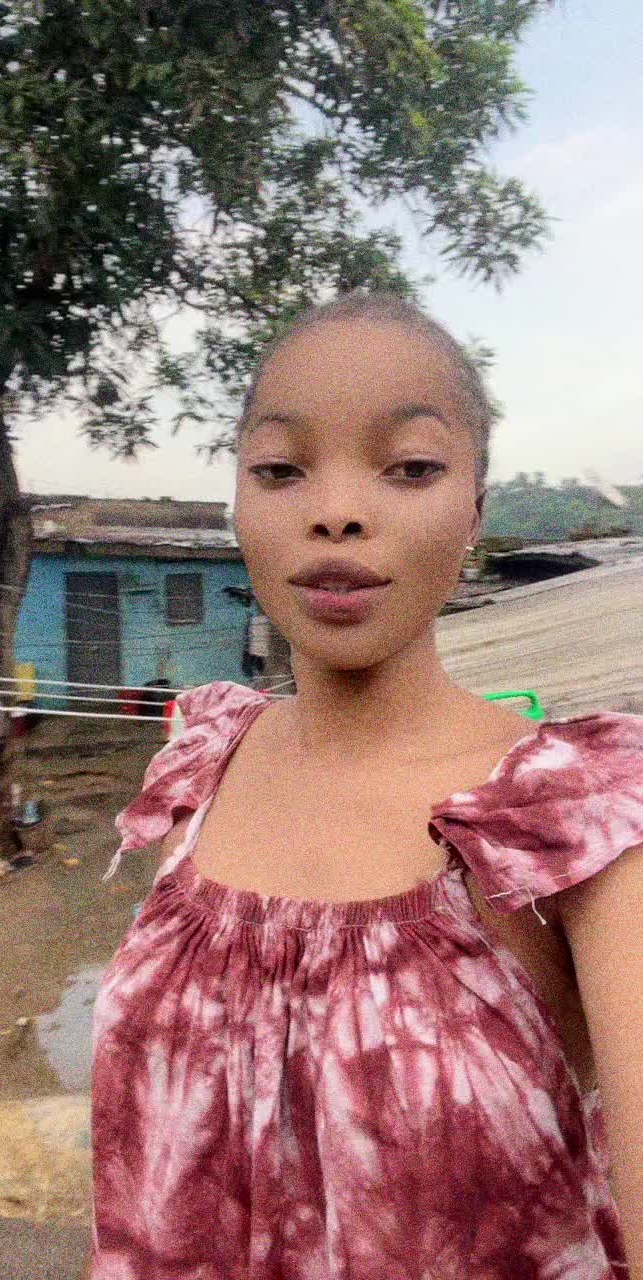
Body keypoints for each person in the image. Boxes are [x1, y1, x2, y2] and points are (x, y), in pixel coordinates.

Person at [85, 291, 643, 1279]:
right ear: (238, 501)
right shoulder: (200, 765)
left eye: (411, 467)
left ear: (475, 509)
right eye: (280, 468)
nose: (335, 511)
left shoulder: (575, 814)